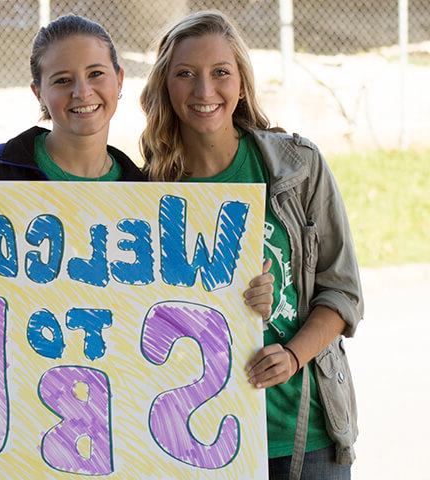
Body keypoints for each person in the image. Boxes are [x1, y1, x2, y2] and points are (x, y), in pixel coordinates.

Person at [0, 13, 274, 322]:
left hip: (109, 418)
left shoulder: (145, 193)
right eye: (61, 80)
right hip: (17, 412)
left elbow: (177, 311)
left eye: (96, 74)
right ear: (38, 91)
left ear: (119, 79)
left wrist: (244, 297)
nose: (82, 92)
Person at [140, 10, 363, 480]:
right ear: (165, 86)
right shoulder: (146, 193)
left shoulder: (296, 168)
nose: (204, 91)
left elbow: (343, 293)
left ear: (241, 82)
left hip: (300, 434)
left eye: (220, 72)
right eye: (185, 75)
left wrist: (293, 354)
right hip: (192, 439)